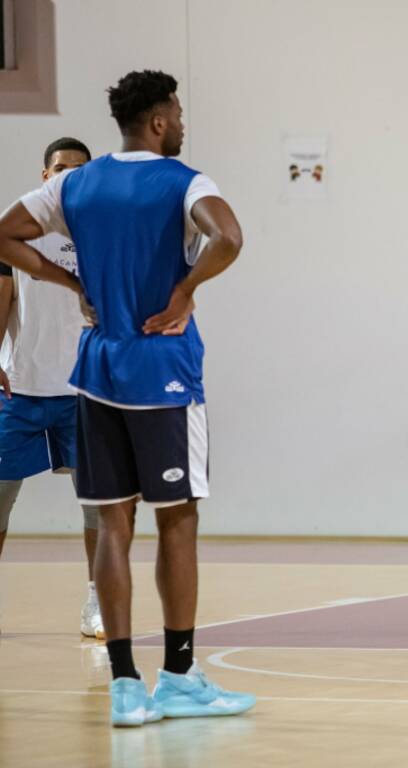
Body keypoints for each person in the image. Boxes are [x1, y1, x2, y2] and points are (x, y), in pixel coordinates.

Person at [0, 69, 254, 725]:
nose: (184, 124)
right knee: (178, 519)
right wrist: (185, 290)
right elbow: (229, 237)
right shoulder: (184, 181)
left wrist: (69, 283)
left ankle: (120, 684)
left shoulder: (74, 183)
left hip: (94, 369)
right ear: (161, 120)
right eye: (179, 113)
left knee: (112, 523)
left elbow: (5, 231)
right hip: (161, 370)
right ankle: (177, 676)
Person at [0, 138, 103, 639]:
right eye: (61, 168)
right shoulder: (16, 227)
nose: (69, 176)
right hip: (20, 387)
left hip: (84, 391)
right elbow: (2, 293)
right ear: (45, 176)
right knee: (0, 497)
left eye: (79, 170)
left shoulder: (103, 233)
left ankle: (97, 601)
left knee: (98, 502)